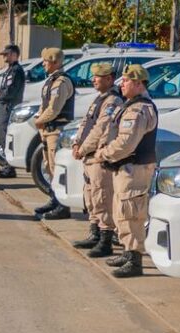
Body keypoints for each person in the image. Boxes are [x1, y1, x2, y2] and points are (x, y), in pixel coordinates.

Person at [92, 64, 157, 278]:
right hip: (126, 167)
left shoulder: (139, 109)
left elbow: (125, 143)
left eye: (127, 81)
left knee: (131, 213)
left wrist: (103, 154)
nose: (122, 84)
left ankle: (135, 259)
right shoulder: (130, 105)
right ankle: (128, 251)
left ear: (139, 84)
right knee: (122, 212)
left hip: (134, 168)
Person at [71, 62, 122, 257]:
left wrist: (83, 148)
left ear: (109, 79)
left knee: (102, 198)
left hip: (98, 157)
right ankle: (94, 232)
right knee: (91, 197)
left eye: (98, 77)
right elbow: (86, 123)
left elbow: (101, 129)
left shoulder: (112, 102)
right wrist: (77, 143)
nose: (93, 79)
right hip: (88, 157)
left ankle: (105, 239)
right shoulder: (100, 99)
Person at [33, 47, 75, 220]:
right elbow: (45, 104)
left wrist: (39, 120)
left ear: (55, 62)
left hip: (56, 129)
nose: (43, 64)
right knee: (50, 167)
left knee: (57, 168)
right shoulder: (51, 80)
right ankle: (54, 199)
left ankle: (62, 207)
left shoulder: (61, 82)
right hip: (48, 129)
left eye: (46, 61)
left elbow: (54, 109)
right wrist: (40, 118)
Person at [0, 44, 26, 179]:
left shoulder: (16, 71)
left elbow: (11, 91)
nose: (5, 57)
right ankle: (7, 165)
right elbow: (5, 87)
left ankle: (9, 168)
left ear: (14, 54)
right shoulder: (10, 70)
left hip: (9, 106)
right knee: (3, 136)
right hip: (5, 106)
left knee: (6, 137)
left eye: (7, 54)